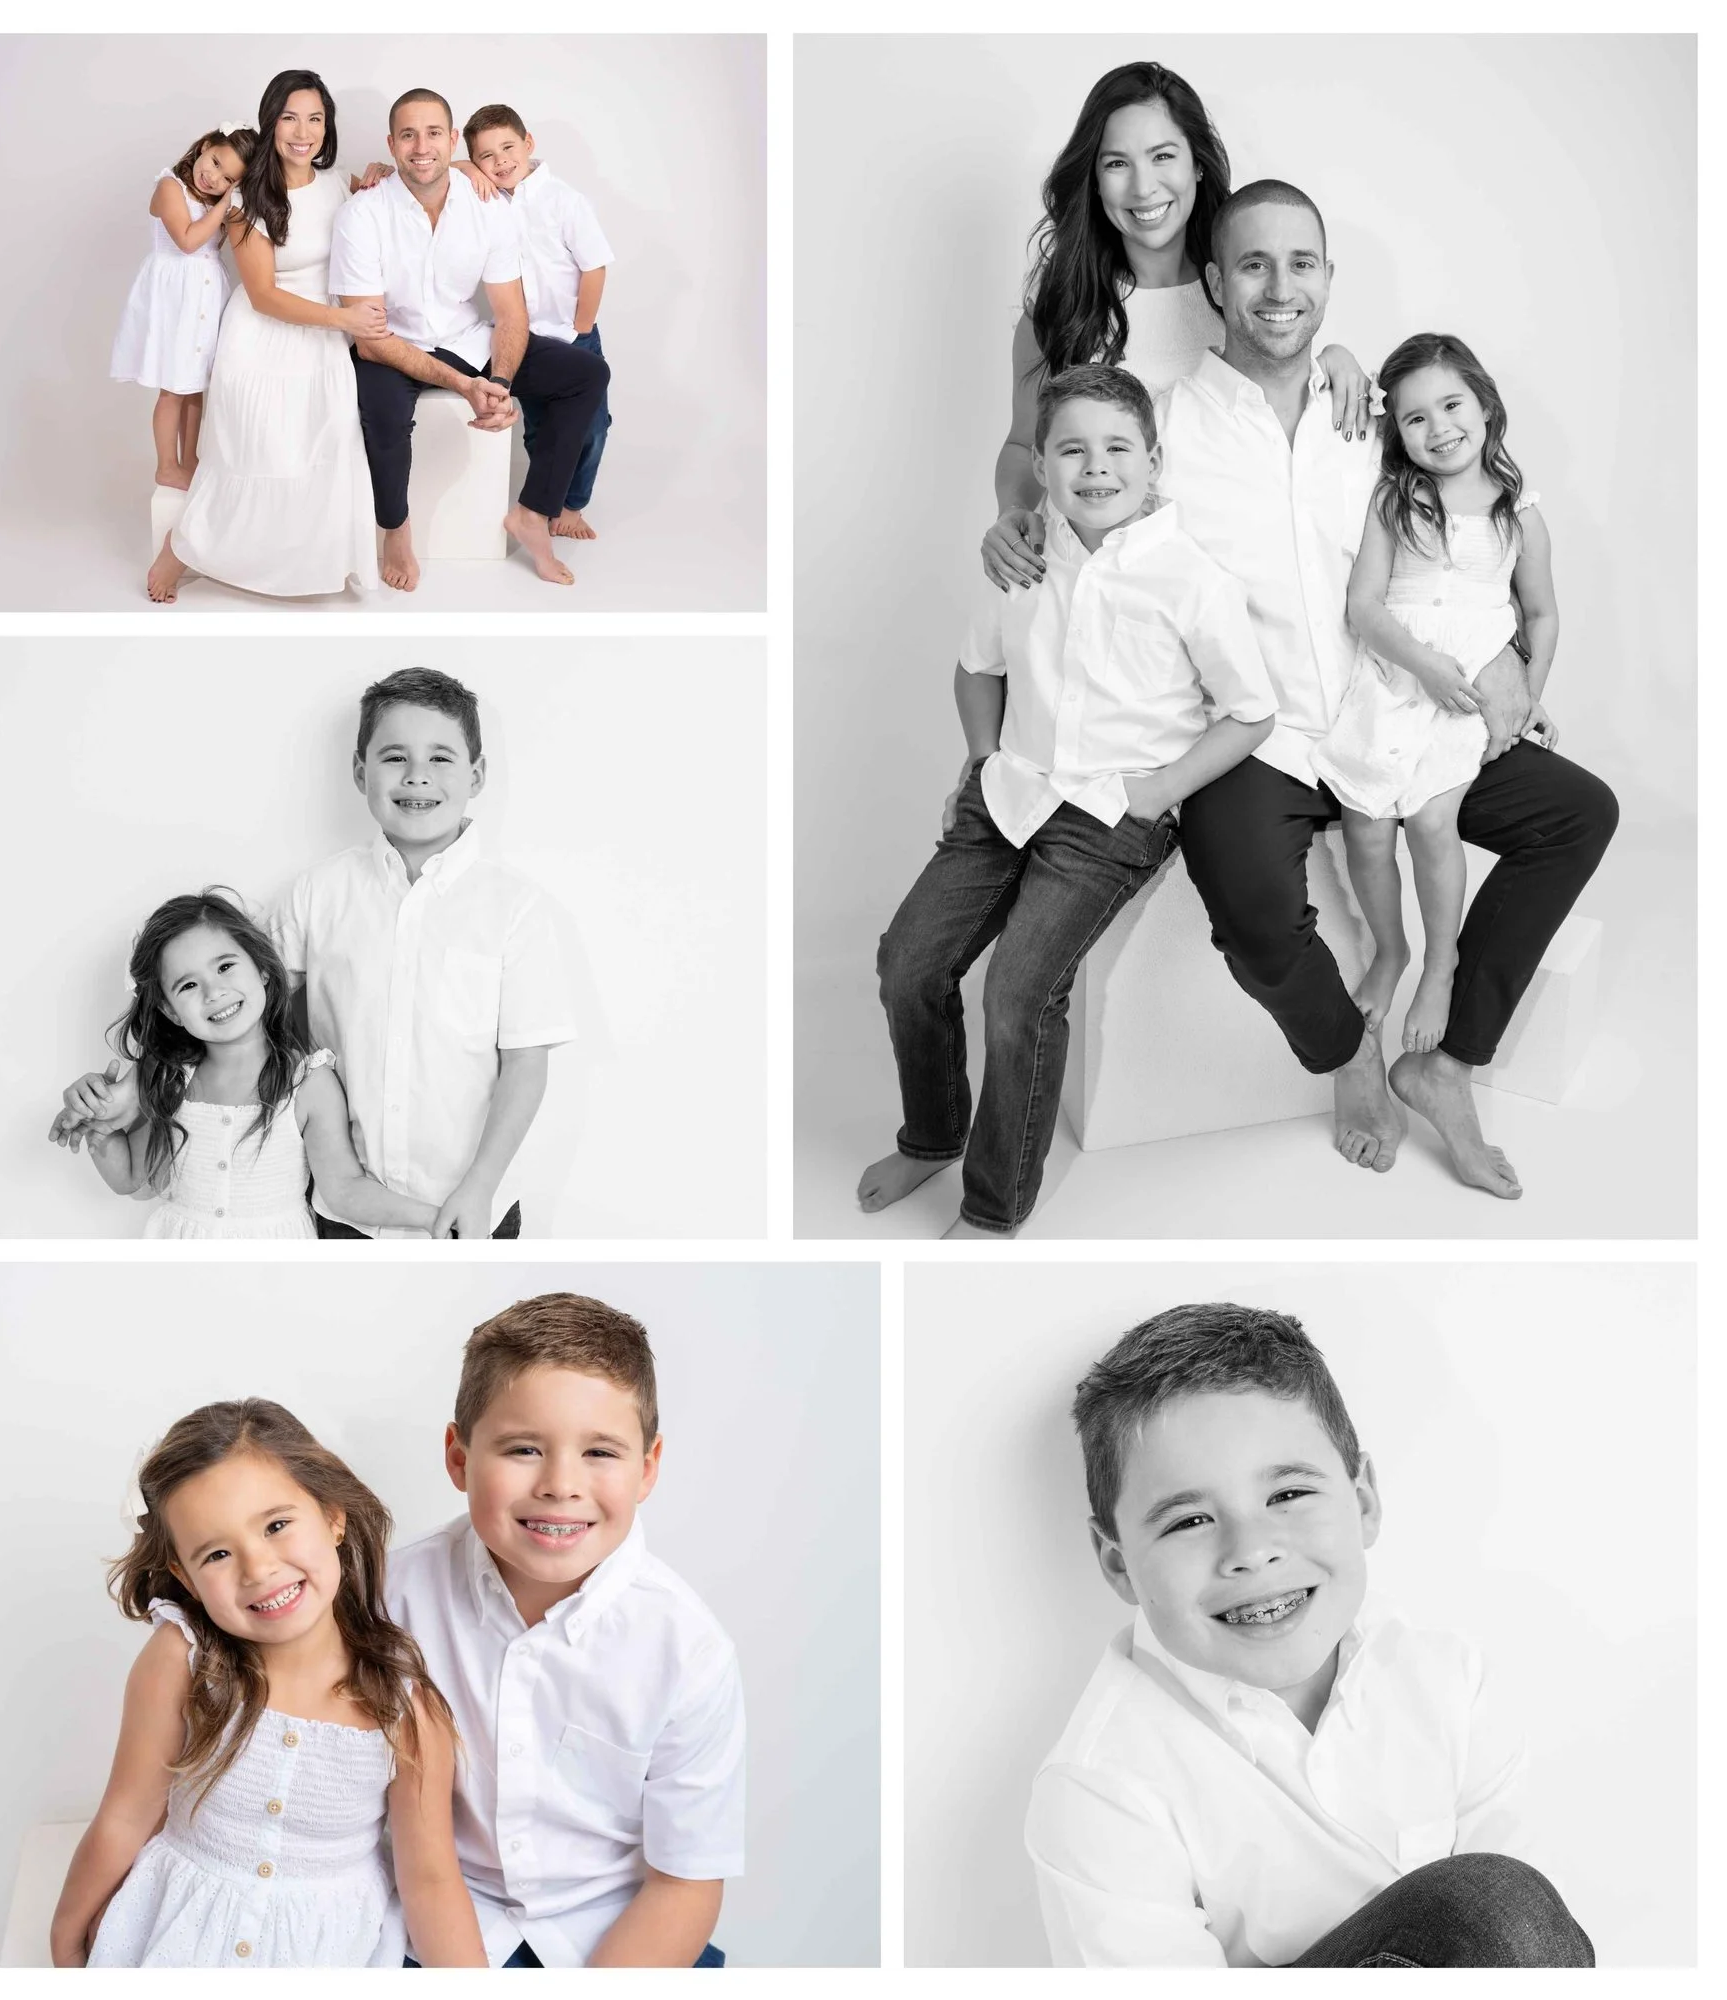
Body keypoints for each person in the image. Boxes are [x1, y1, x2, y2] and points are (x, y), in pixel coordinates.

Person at [1151, 183, 1614, 1195]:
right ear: (1215, 283)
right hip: (1260, 734)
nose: (1280, 287)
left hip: (1395, 708)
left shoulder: (1368, 408)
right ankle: (1347, 1053)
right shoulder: (1169, 426)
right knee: (1255, 914)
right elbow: (1105, 551)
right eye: (1254, 265)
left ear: (1327, 279)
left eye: (1302, 263)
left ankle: (1445, 1064)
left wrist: (1504, 673)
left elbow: (1466, 556)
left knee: (1577, 813)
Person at [1026, 1302, 1594, 1967]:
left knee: (1506, 1901)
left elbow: (1544, 1944)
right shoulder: (1103, 1785)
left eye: (1288, 1495)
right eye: (1188, 1522)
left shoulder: (1447, 1681)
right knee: (1493, 1906)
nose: (1252, 1550)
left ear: (1363, 1504)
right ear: (1119, 1563)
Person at [863, 366, 1275, 1237]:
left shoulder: (1191, 579)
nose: (1096, 468)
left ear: (1153, 462)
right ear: (1041, 466)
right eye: (1072, 450)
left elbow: (1250, 711)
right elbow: (978, 667)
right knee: (908, 960)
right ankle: (932, 1133)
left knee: (1018, 994)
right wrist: (979, 764)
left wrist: (1157, 792)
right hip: (1008, 793)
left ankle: (993, 1204)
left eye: (1118, 448)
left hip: (1107, 818)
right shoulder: (1026, 559)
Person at [49, 1401, 484, 1967]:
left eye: (277, 1526)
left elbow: (429, 1880)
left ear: (333, 1516)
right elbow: (125, 1816)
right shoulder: (182, 1661)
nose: (257, 1570)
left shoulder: (403, 1707)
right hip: (180, 1940)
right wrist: (66, 1935)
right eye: (218, 1553)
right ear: (185, 1576)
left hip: (325, 1953)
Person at [389, 1293, 745, 1966]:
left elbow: (684, 1883)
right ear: (460, 1458)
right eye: (524, 1448)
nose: (560, 1485)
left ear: (648, 1467)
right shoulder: (392, 1600)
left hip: (620, 1933)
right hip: (433, 1926)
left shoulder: (686, 1647)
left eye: (600, 1453)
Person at [982, 61, 1370, 594]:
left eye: (1163, 156)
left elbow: (1282, 391)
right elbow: (1022, 443)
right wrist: (1011, 512)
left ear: (1198, 165)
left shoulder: (1243, 285)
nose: (1144, 187)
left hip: (1226, 593)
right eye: (1117, 162)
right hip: (1094, 590)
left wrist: (1336, 358)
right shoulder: (1057, 312)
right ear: (1093, 180)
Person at [1313, 335, 1559, 1097]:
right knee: (1365, 823)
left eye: (1451, 405)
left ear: (1484, 405)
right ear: (1398, 432)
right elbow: (1362, 606)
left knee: (1429, 822)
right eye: (1415, 417)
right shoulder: (1396, 500)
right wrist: (1422, 666)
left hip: (1473, 701)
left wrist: (1525, 698)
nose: (1438, 427)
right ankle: (1390, 950)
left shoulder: (1519, 511)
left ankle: (1440, 964)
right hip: (1397, 678)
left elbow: (1542, 614)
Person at [272, 669, 576, 1240]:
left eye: (441, 758)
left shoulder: (514, 907)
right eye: (394, 757)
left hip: (475, 1203)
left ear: (476, 774)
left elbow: (526, 1065)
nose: (417, 777)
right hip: (345, 1210)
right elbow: (250, 1016)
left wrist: (480, 1184)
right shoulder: (317, 893)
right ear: (360, 772)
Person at [329, 90, 611, 588]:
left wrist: (498, 381)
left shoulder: (486, 207)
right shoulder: (362, 214)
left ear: (452, 139)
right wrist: (464, 386)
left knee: (586, 375)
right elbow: (369, 337)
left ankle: (533, 511)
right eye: (409, 134)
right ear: (391, 144)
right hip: (390, 344)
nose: (422, 146)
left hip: (465, 337)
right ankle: (394, 527)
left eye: (434, 132)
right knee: (385, 414)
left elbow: (510, 312)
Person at [46, 889, 438, 1238]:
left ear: (263, 968)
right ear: (170, 1011)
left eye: (225, 967)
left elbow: (344, 1188)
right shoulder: (173, 1079)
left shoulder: (308, 1083)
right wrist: (103, 1130)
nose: (214, 992)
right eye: (188, 985)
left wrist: (434, 1218)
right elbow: (132, 1178)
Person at [146, 71, 386, 604]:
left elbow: (416, 179)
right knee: (257, 455)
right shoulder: (247, 199)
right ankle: (179, 549)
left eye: (316, 118)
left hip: (321, 345)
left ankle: (302, 563)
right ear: (270, 122)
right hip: (264, 341)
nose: (304, 131)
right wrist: (347, 322)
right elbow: (263, 296)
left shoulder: (338, 181)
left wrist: (386, 171)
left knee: (323, 450)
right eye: (290, 117)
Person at [465, 105, 614, 541]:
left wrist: (582, 328)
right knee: (541, 427)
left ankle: (572, 503)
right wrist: (464, 168)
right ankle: (545, 496)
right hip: (522, 338)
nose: (501, 162)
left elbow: (595, 267)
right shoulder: (485, 198)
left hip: (573, 333)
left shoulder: (565, 201)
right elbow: (444, 172)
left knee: (592, 425)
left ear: (528, 143)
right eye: (486, 157)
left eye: (508, 147)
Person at [111, 121, 256, 490]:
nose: (213, 177)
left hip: (205, 297)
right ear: (205, 144)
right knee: (173, 387)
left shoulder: (212, 201)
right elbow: (188, 241)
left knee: (194, 385)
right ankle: (167, 465)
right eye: (215, 161)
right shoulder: (169, 186)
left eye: (227, 178)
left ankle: (190, 458)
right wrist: (226, 204)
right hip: (174, 297)